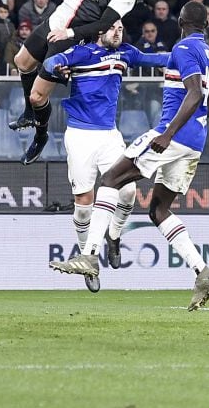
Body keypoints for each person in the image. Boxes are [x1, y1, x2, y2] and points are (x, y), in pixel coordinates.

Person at [49, 2, 209, 311]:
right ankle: (202, 271)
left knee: (111, 179)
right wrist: (195, 126)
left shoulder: (183, 48)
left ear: (180, 19)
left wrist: (168, 134)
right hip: (196, 141)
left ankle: (89, 255)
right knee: (158, 211)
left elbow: (195, 94)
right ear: (206, 25)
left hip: (171, 135)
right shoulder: (206, 54)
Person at [43, 19, 169, 293]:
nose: (118, 32)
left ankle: (113, 236)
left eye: (121, 28)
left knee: (128, 192)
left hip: (109, 135)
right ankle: (87, 258)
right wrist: (57, 68)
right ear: (100, 30)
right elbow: (50, 63)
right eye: (113, 28)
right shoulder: (82, 53)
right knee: (84, 205)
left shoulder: (126, 53)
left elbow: (156, 59)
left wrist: (186, 55)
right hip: (79, 136)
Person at [5, 0, 140, 164]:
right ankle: (29, 113)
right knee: (22, 62)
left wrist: (69, 33)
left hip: (71, 38)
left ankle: (40, 136)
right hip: (56, 21)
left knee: (38, 96)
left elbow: (104, 24)